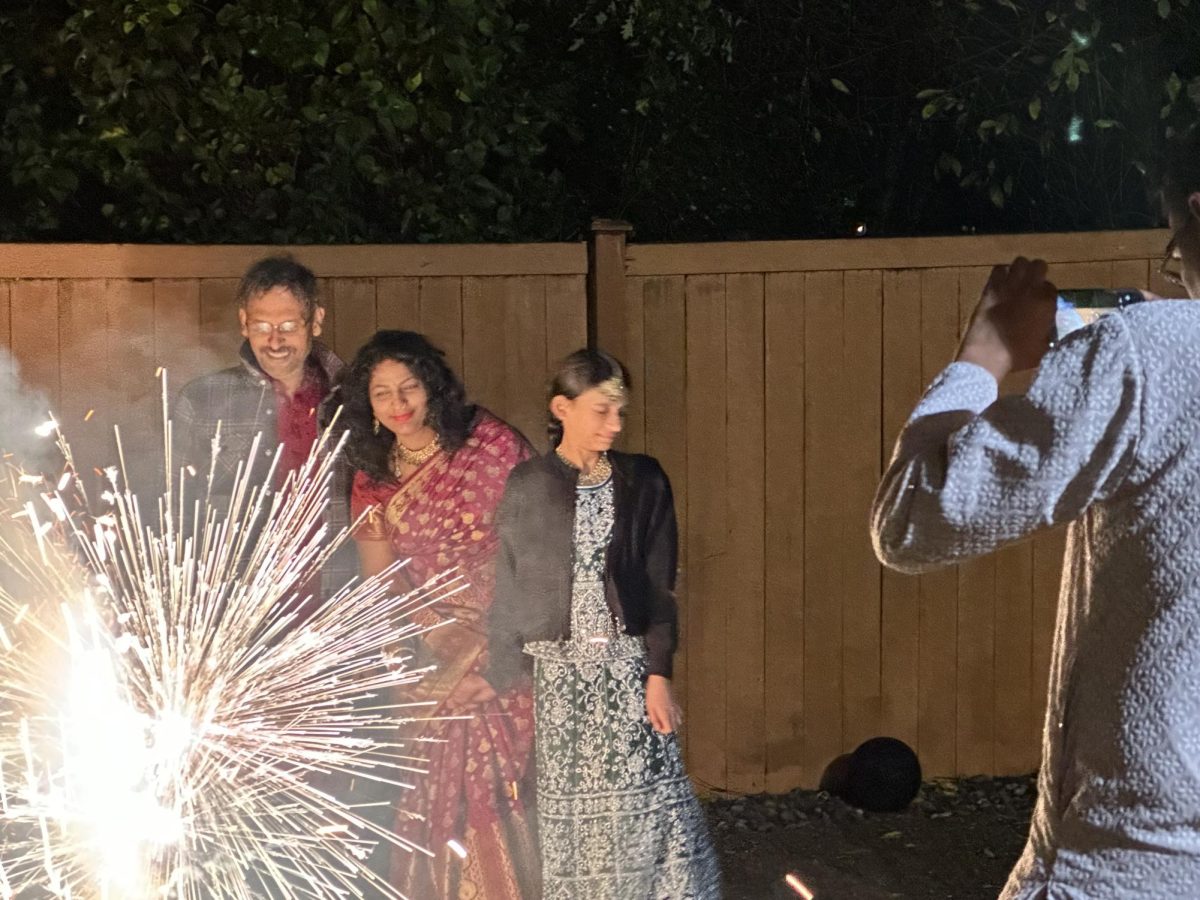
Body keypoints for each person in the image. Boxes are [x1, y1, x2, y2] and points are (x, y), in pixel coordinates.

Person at [871, 125, 1200, 899]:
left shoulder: (1143, 353)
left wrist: (982, 354)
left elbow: (913, 520)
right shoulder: (1149, 349)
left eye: (1175, 244)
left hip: (1128, 863)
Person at [487, 348, 720, 899]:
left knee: (651, 800)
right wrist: (502, 678)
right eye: (601, 411)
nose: (615, 425)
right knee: (573, 816)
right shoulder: (528, 483)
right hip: (560, 680)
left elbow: (661, 584)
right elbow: (511, 582)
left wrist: (658, 675)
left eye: (620, 412)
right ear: (561, 409)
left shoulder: (644, 480)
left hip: (625, 672)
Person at [340, 330, 538, 899]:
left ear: (433, 388)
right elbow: (379, 580)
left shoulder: (490, 446)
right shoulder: (372, 473)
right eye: (382, 394)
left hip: (502, 647)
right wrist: (412, 657)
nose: (399, 405)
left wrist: (495, 654)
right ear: (368, 405)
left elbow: (538, 553)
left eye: (410, 388)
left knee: (500, 792)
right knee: (431, 799)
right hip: (427, 654)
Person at [173, 255, 353, 600]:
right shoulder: (201, 400)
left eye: (287, 326)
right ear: (243, 322)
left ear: (315, 320)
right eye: (261, 326)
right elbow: (175, 511)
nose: (274, 341)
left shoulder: (353, 399)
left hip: (336, 599)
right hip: (236, 606)